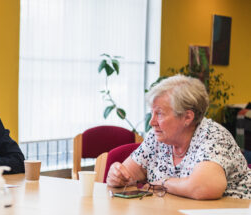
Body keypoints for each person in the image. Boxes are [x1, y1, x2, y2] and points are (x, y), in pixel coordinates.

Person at [106, 74, 251, 199]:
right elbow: (126, 175)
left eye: (160, 113)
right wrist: (116, 176)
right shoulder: (157, 138)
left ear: (187, 117)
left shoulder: (213, 136)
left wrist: (163, 183)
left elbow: (202, 189)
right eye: (152, 113)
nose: (151, 122)